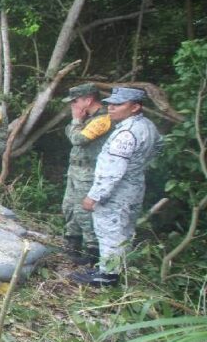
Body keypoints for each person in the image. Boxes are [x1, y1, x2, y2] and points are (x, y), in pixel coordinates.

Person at [71, 87, 162, 287]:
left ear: (135, 107)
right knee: (125, 230)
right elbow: (158, 148)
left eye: (118, 104)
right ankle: (116, 268)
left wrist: (94, 196)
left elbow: (113, 170)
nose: (111, 107)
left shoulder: (126, 133)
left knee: (109, 230)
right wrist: (138, 166)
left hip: (117, 191)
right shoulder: (147, 126)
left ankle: (107, 276)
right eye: (110, 103)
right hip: (135, 186)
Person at [60, 83, 112, 265]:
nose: (72, 105)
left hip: (89, 173)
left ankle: (92, 252)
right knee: (69, 207)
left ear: (88, 100)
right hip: (75, 170)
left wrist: (76, 121)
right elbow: (70, 133)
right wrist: (77, 123)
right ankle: (72, 244)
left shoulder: (103, 119)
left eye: (75, 101)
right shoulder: (87, 119)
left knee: (85, 211)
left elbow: (77, 139)